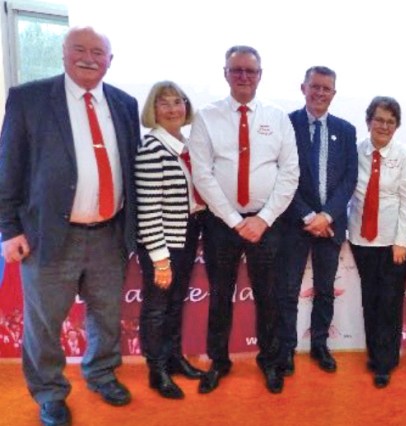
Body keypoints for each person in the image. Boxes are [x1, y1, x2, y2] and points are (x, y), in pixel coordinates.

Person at [0, 27, 140, 425]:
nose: (89, 58)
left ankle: (101, 373)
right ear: (63, 54)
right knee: (44, 324)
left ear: (110, 61)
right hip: (48, 236)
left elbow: (129, 166)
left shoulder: (125, 104)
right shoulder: (29, 99)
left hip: (110, 234)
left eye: (98, 52)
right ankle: (49, 392)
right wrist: (8, 228)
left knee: (106, 316)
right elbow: (8, 167)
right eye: (79, 49)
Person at [189, 45, 299, 394]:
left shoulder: (277, 118)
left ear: (260, 75)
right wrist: (235, 220)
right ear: (225, 73)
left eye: (250, 71)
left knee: (269, 296)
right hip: (222, 224)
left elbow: (290, 173)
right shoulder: (206, 117)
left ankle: (270, 361)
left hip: (266, 223)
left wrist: (263, 219)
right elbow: (202, 173)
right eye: (236, 70)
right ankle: (218, 361)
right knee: (220, 294)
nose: (243, 76)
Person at [276, 66, 358, 376]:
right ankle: (285, 349)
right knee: (287, 291)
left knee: (325, 290)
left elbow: (349, 178)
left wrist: (327, 215)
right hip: (294, 223)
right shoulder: (286, 124)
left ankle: (320, 345)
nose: (320, 93)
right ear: (304, 88)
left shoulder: (346, 130)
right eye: (315, 86)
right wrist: (309, 215)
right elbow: (281, 174)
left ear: (334, 93)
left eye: (326, 88)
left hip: (331, 224)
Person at [135, 81, 207, 399]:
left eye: (178, 102)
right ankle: (157, 370)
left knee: (175, 302)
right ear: (153, 109)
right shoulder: (152, 148)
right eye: (164, 103)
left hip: (186, 232)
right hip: (162, 240)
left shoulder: (184, 145)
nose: (173, 109)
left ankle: (174, 358)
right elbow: (148, 209)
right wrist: (160, 260)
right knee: (157, 307)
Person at [348, 96, 406, 388]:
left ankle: (386, 362)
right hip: (361, 238)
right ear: (368, 121)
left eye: (391, 121)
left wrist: (401, 241)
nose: (384, 126)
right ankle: (374, 354)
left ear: (397, 126)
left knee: (389, 302)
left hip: (392, 242)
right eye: (379, 119)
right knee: (370, 300)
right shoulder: (354, 152)